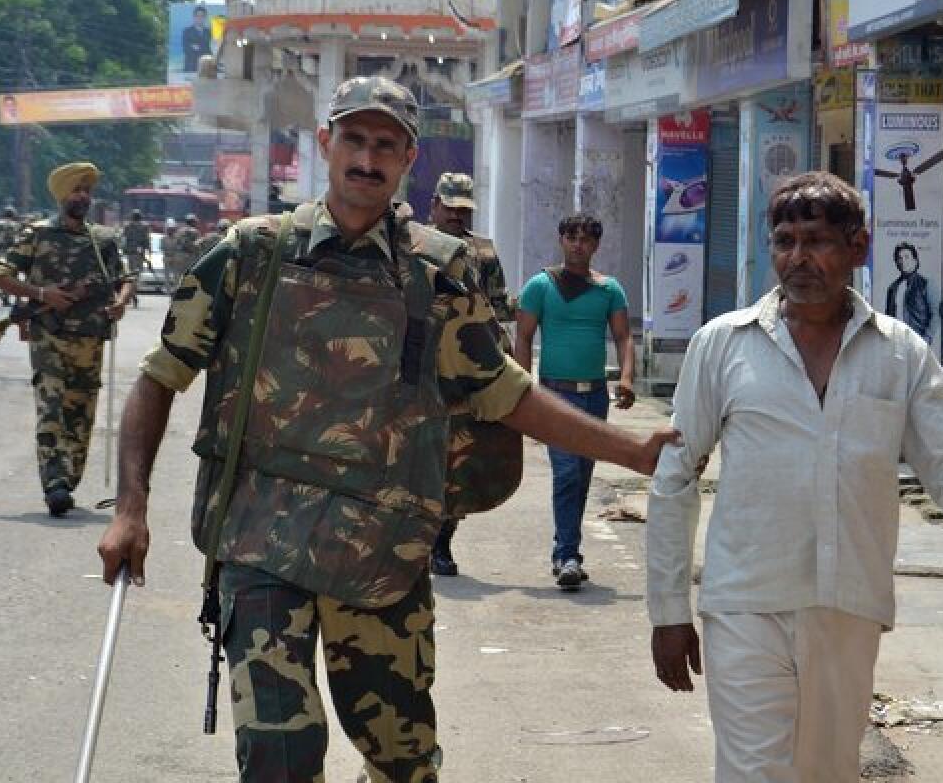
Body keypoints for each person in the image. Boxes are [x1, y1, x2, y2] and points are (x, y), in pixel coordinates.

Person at [96, 76, 675, 783]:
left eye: (386, 145)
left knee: (401, 759)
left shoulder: (437, 271)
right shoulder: (251, 254)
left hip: (383, 550)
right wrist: (130, 509)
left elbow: (502, 392)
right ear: (324, 144)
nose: (366, 159)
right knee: (278, 757)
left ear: (408, 159)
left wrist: (634, 449)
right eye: (354, 140)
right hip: (259, 539)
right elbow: (161, 375)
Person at [646, 171, 943, 783]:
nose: (798, 258)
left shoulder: (899, 352)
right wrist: (668, 609)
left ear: (858, 248)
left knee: (826, 772)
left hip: (848, 604)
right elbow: (674, 478)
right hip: (745, 602)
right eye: (784, 241)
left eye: (818, 241)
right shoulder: (722, 346)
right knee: (752, 773)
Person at [0, 162, 134, 516]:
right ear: (61, 196)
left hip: (90, 340)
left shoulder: (104, 240)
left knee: (81, 414)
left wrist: (120, 302)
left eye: (86, 190)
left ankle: (67, 479)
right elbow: (1, 275)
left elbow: (125, 277)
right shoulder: (37, 235)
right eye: (76, 190)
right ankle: (53, 482)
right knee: (50, 407)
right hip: (48, 338)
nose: (82, 196)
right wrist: (42, 294)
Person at [514, 213, 637, 592]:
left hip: (595, 394)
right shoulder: (540, 286)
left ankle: (565, 550)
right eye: (571, 237)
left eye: (585, 239)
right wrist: (519, 389)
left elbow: (623, 337)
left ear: (596, 245)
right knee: (566, 471)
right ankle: (568, 555)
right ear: (561, 240)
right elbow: (522, 338)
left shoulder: (609, 289)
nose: (577, 244)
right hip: (555, 393)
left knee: (582, 475)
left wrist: (628, 378)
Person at [423, 171, 514, 576]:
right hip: (416, 367)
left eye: (463, 209)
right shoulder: (410, 242)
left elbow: (497, 313)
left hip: (462, 372)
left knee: (457, 461)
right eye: (450, 207)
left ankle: (441, 541)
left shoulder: (484, 253)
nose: (456, 215)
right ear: (434, 205)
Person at [884, 241, 933, 340]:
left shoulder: (925, 285)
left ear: (915, 261)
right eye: (899, 258)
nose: (902, 261)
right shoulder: (892, 288)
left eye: (907, 257)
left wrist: (927, 338)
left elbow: (935, 314)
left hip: (917, 341)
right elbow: (888, 316)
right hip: (896, 340)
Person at [121, 209, 151, 308]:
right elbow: (146, 240)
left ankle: (132, 294)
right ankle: (133, 294)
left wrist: (123, 250)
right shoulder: (144, 227)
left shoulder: (127, 226)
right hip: (139, 255)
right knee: (136, 276)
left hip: (130, 253)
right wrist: (148, 254)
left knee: (131, 275)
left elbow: (123, 239)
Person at [181, 5, 212, 73]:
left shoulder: (209, 32)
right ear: (194, 17)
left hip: (206, 68)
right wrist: (202, 48)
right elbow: (186, 49)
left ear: (205, 18)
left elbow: (210, 50)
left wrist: (196, 47)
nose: (200, 18)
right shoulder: (187, 32)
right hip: (191, 68)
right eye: (198, 16)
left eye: (202, 16)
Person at [160, 218, 180, 292]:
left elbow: (179, 248)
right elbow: (162, 248)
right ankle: (168, 289)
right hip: (167, 257)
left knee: (176, 275)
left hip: (175, 257)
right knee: (167, 275)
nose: (170, 230)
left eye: (172, 229)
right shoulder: (163, 238)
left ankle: (176, 289)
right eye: (169, 229)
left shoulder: (177, 238)